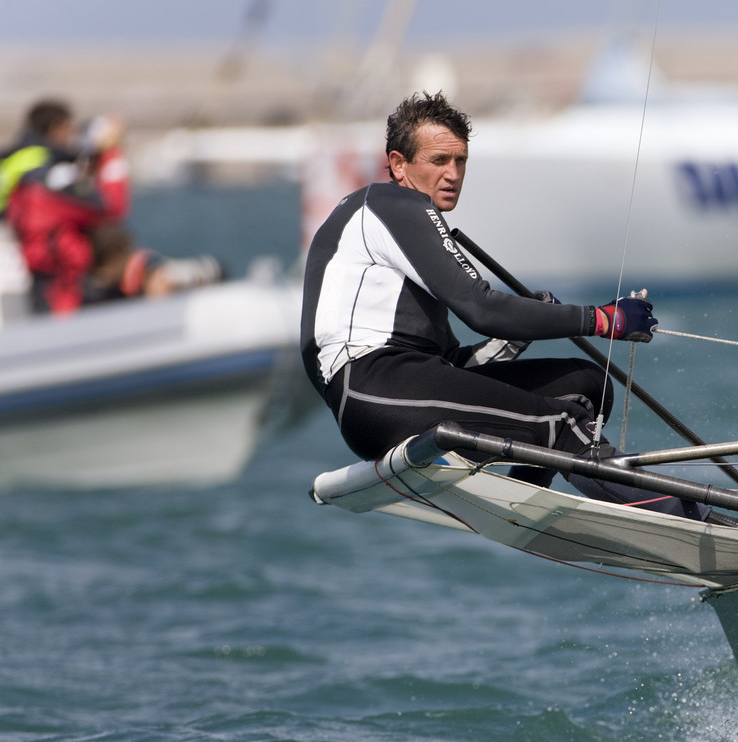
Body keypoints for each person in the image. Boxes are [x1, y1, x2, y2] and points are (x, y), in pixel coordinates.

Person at [300, 92, 706, 519]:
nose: (452, 174)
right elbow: (481, 308)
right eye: (439, 160)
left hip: (403, 386)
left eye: (461, 162)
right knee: (561, 424)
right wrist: (604, 319)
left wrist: (517, 335)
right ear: (399, 164)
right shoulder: (393, 204)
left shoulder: (393, 238)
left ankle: (522, 502)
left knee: (587, 384)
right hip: (373, 391)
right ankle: (688, 518)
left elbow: (453, 367)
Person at [0, 99, 130, 314]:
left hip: (41, 267)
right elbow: (112, 206)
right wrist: (111, 154)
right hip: (60, 276)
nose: (71, 137)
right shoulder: (46, 171)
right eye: (69, 129)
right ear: (57, 128)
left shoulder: (20, 162)